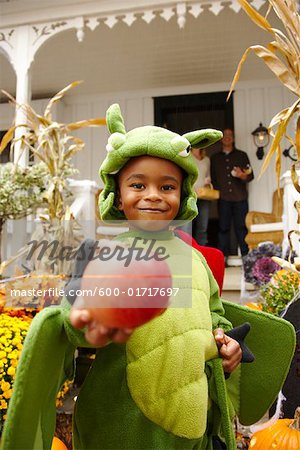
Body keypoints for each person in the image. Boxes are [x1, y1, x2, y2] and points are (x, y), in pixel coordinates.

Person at [1, 106, 295, 450]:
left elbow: (213, 316)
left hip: (190, 419)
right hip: (119, 421)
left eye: (167, 186)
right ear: (118, 196)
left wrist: (225, 343)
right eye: (138, 184)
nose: (153, 194)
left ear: (182, 194)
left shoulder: (195, 260)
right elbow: (72, 325)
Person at [210, 128, 254, 261]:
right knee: (223, 228)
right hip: (224, 199)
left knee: (241, 228)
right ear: (221, 139)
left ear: (233, 138)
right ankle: (222, 259)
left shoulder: (242, 155)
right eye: (225, 135)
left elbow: (250, 175)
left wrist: (242, 175)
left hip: (240, 198)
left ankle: (246, 258)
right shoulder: (215, 158)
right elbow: (214, 178)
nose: (227, 137)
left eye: (230, 135)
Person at [190, 147, 211, 246]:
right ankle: (186, 256)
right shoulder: (187, 156)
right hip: (190, 197)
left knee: (203, 227)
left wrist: (207, 181)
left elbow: (207, 176)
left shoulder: (206, 159)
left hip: (203, 197)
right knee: (187, 228)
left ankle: (201, 254)